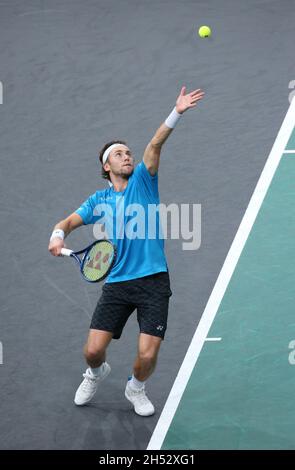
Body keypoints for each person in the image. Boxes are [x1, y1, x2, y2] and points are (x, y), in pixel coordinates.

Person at [48, 86, 204, 416]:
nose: (127, 156)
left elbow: (155, 145)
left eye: (128, 152)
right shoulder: (98, 200)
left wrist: (176, 112)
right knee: (92, 351)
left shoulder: (143, 182)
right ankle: (95, 373)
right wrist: (58, 235)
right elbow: (69, 221)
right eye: (119, 154)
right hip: (117, 283)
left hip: (153, 281)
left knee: (147, 356)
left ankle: (136, 387)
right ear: (107, 167)